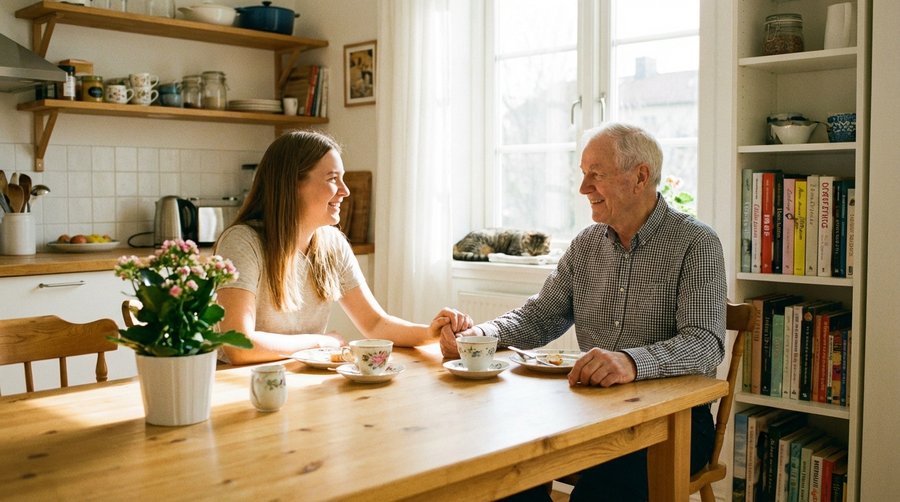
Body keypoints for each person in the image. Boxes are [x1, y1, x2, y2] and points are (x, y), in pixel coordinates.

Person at [440, 122, 727, 502]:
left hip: (674, 422)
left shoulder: (696, 242)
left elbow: (705, 344)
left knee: (601, 492)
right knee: (500, 469)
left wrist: (630, 362)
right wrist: (480, 335)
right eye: (583, 174)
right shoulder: (586, 244)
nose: (583, 188)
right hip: (590, 409)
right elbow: (540, 316)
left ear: (640, 177)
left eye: (596, 174)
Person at [215, 130, 472, 365]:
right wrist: (321, 342)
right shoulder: (243, 242)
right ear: (292, 185)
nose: (345, 191)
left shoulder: (332, 244)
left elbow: (375, 323)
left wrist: (430, 332)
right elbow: (238, 345)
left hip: (300, 377)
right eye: (332, 179)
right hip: (244, 384)